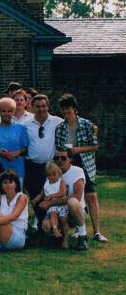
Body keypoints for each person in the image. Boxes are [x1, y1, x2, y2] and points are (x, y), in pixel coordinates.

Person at [55, 93, 106, 243]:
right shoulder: (60, 128)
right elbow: (58, 148)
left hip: (85, 164)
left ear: (75, 109)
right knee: (74, 196)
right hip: (68, 165)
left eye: (68, 111)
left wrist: (78, 150)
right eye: (64, 112)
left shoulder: (87, 125)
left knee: (91, 196)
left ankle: (97, 231)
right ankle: (79, 229)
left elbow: (95, 146)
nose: (66, 115)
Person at [23, 94, 64, 227]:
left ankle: (54, 224)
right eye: (37, 106)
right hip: (32, 166)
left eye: (43, 106)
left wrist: (92, 127)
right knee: (35, 196)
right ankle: (41, 223)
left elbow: (73, 121)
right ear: (32, 107)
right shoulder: (26, 124)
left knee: (50, 194)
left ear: (48, 106)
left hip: (50, 166)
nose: (41, 109)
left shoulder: (58, 121)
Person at [0, 97, 29, 188]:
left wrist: (18, 152)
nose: (6, 114)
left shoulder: (21, 129)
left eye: (9, 111)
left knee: (17, 198)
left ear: (13, 112)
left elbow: (26, 149)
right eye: (3, 111)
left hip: (17, 170)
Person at [53, 149, 89, 250]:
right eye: (56, 158)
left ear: (70, 159)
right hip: (58, 210)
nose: (59, 160)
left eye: (63, 158)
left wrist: (53, 201)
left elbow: (77, 197)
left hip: (76, 209)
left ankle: (83, 237)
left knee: (72, 202)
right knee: (45, 226)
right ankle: (59, 237)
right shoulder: (51, 172)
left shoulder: (77, 171)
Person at [31, 162, 67, 239]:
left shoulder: (61, 181)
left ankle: (59, 233)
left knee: (57, 214)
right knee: (52, 211)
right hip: (51, 207)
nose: (52, 177)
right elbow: (42, 194)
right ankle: (54, 229)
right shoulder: (47, 183)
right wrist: (34, 200)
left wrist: (51, 196)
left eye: (54, 174)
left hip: (60, 205)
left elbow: (63, 193)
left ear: (58, 173)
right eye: (49, 175)